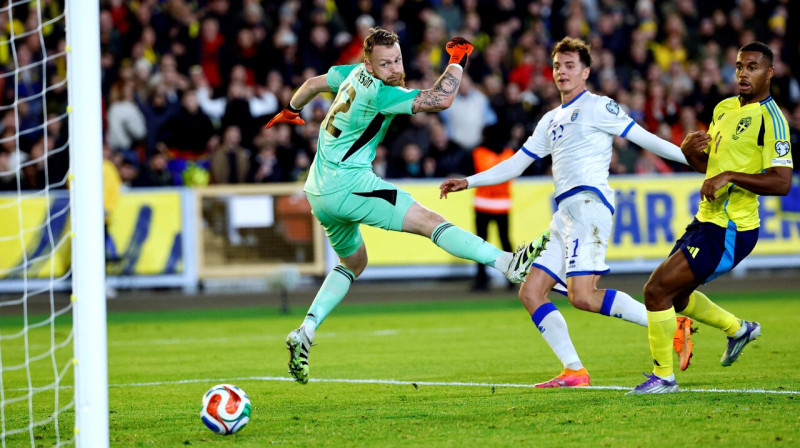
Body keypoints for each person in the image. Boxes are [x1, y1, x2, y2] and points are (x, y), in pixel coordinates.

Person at [264, 28, 547, 385]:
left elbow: (310, 84)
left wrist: (290, 110)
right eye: (385, 63)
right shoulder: (380, 92)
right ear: (370, 63)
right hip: (349, 184)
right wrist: (457, 60)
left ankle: (305, 330)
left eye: (397, 59)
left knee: (354, 262)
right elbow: (440, 99)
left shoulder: (349, 73)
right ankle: (508, 263)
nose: (394, 67)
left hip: (318, 192)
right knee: (430, 220)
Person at [440, 37, 695, 388]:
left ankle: (668, 321)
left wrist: (695, 159)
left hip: (589, 207)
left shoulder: (600, 107)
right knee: (531, 292)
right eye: (558, 65)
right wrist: (468, 181)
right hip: (564, 215)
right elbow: (516, 164)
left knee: (583, 297)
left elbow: (646, 139)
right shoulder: (550, 119)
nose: (562, 71)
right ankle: (574, 370)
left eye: (570, 65)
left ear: (586, 71)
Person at [628, 42, 793, 394]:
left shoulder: (772, 120)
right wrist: (690, 155)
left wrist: (731, 176)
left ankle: (664, 378)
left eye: (752, 66)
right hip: (706, 220)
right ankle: (738, 329)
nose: (743, 73)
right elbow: (711, 172)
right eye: (738, 66)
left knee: (655, 291)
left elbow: (781, 183)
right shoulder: (723, 108)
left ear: (770, 73)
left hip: (732, 230)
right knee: (678, 296)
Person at [471, 124, 515, 291]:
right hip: (502, 205)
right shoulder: (509, 153)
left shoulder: (479, 153)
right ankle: (512, 277)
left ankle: (481, 279)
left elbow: (480, 172)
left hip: (482, 204)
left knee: (480, 243)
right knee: (505, 242)